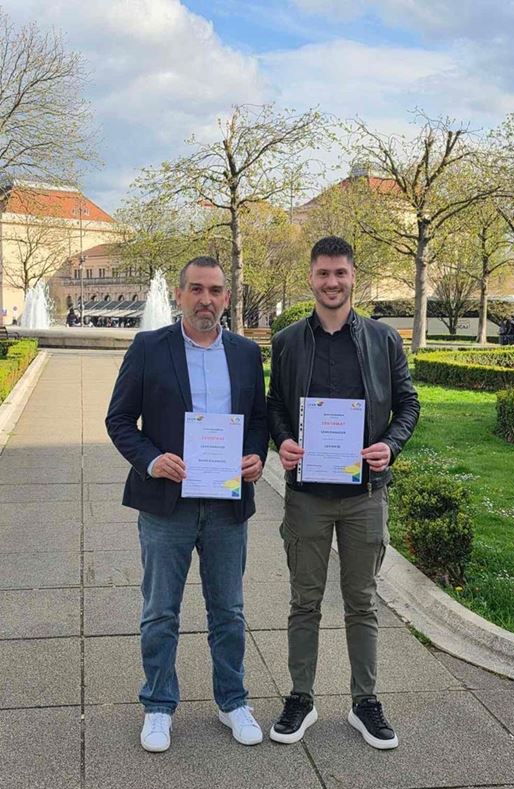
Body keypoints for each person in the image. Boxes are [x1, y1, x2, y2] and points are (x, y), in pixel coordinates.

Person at [106, 256, 268, 753]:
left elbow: (259, 419)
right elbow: (119, 420)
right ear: (179, 295)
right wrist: (151, 460)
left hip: (225, 505)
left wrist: (256, 457)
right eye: (196, 289)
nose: (206, 300)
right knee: (160, 612)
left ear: (226, 298)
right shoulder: (149, 347)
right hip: (166, 506)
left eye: (215, 290)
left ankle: (232, 701)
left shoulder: (245, 353)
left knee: (229, 611)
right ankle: (158, 705)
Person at [267, 236, 420, 750]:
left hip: (364, 494)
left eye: (340, 273)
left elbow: (408, 403)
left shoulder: (383, 339)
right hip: (307, 495)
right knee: (304, 601)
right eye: (323, 273)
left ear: (354, 276)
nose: (332, 282)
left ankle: (364, 702)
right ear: (310, 277)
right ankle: (301, 698)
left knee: (362, 601)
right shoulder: (288, 341)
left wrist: (390, 446)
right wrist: (284, 440)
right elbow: (275, 404)